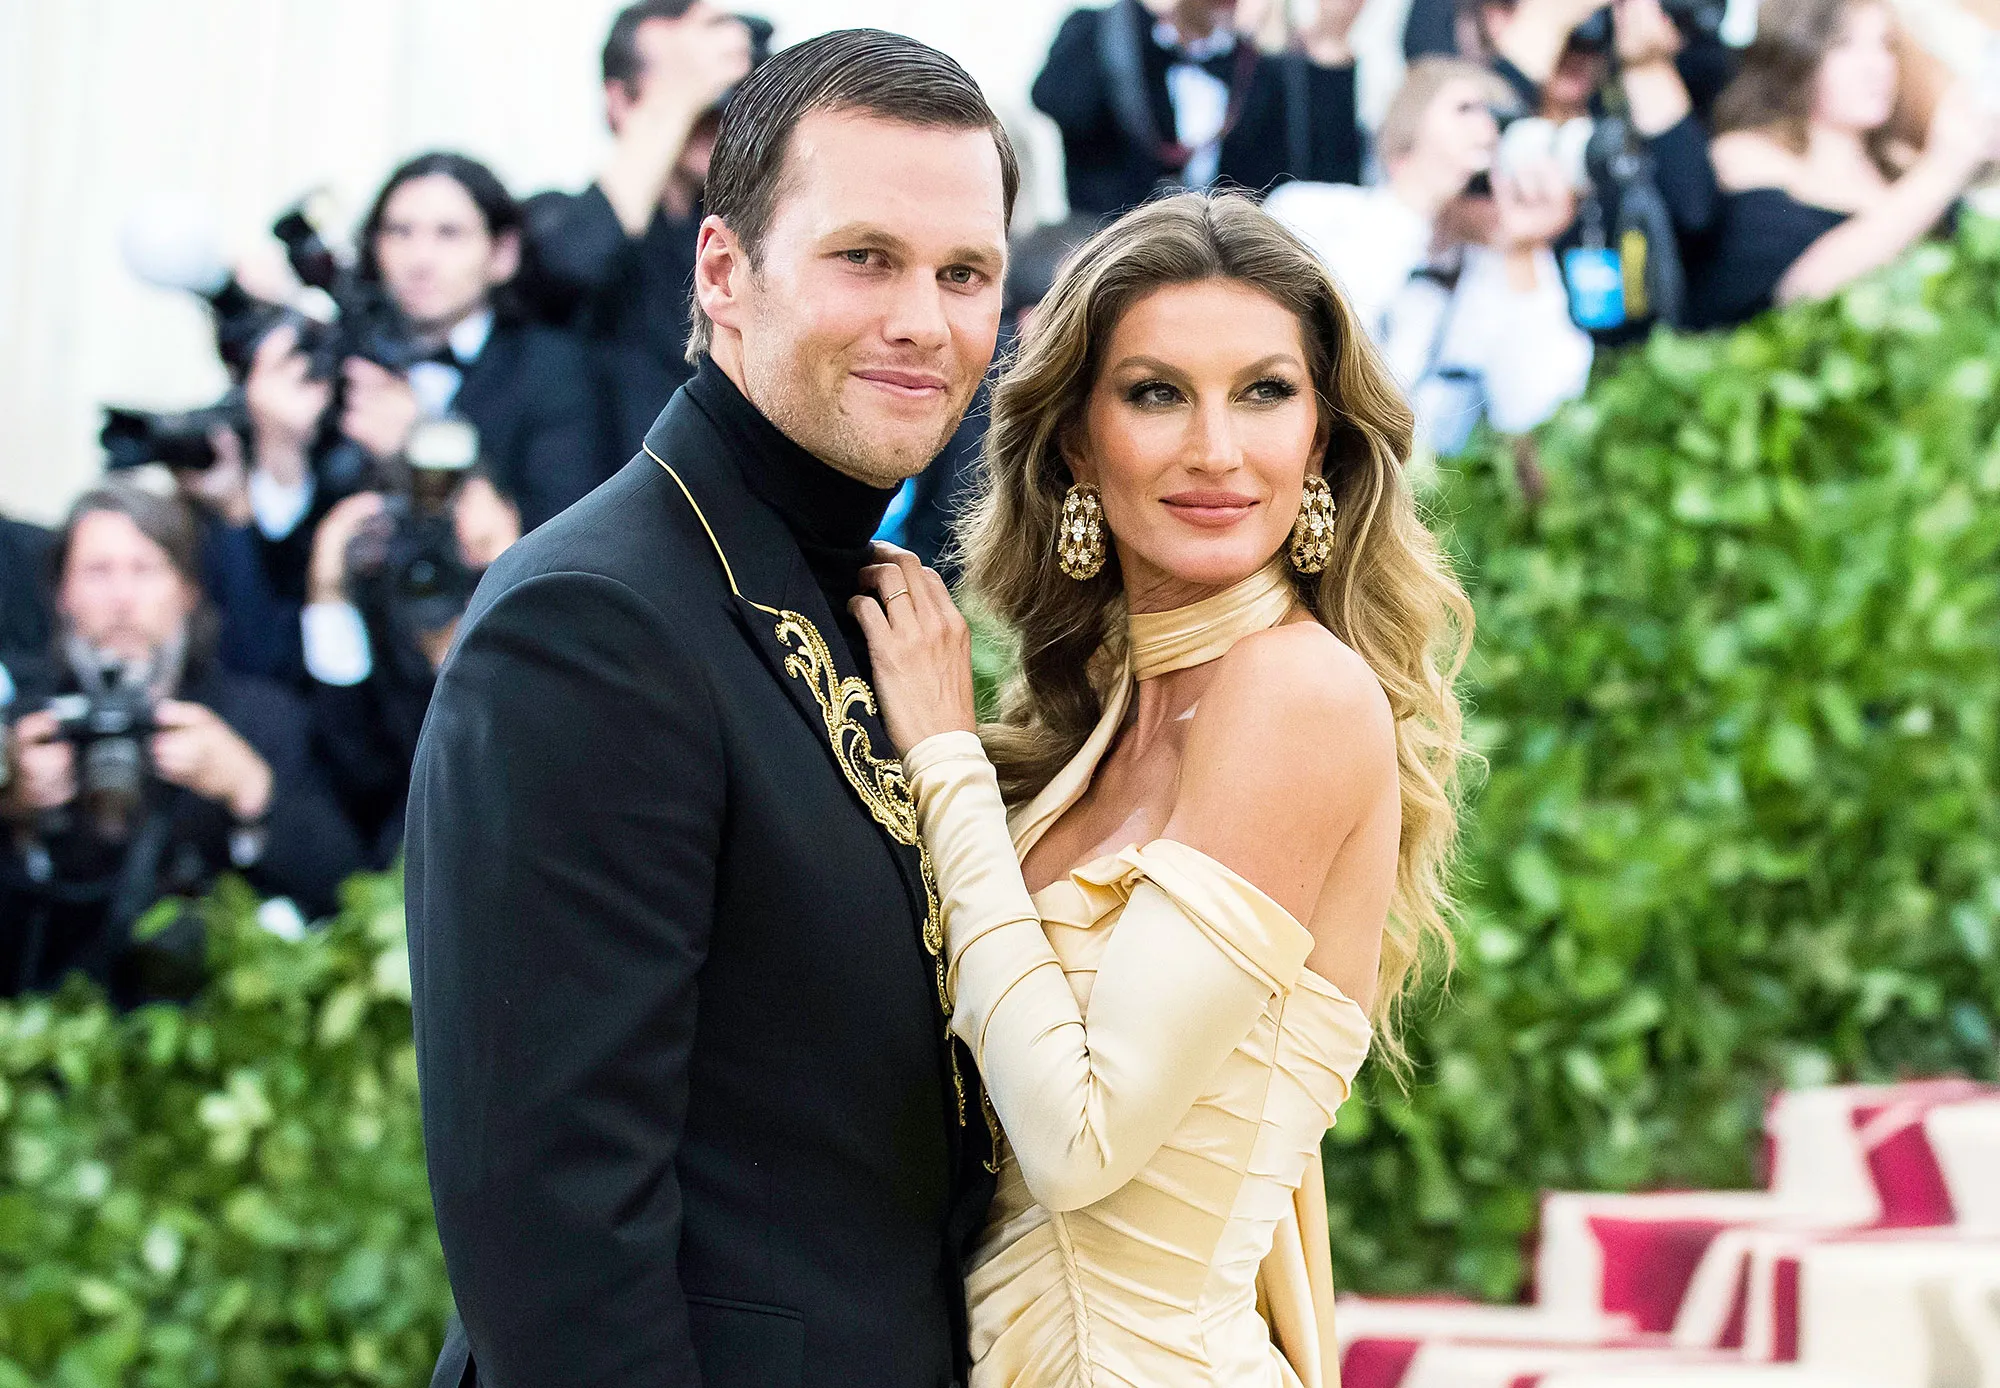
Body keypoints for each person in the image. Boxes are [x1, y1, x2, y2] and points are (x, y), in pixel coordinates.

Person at [405, 29, 1016, 1388]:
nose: (926, 319)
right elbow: (558, 1248)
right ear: (725, 272)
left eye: (966, 271)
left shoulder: (877, 602)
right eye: (868, 257)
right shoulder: (591, 623)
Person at [850, 191, 1471, 1387]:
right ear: (1077, 439)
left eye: (1263, 391)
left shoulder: (1295, 693)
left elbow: (1082, 1142)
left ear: (1323, 438)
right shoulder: (1095, 730)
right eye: (1154, 393)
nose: (1214, 450)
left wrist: (942, 761)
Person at [0, 479, 364, 1004]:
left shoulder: (260, 718)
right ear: (62, 595)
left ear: (188, 592)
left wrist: (251, 789)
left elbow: (346, 890)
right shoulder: (27, 731)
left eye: (145, 570)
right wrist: (14, 811)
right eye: (98, 572)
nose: (122, 599)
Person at [1269, 58, 1594, 451]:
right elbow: (1322, 350)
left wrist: (1521, 251)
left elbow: (1535, 412)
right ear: (1402, 146)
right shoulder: (1311, 213)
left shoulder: (1498, 265)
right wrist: (1418, 202)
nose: (1488, 135)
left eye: (1500, 123)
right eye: (1466, 111)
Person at [520, 0, 759, 467]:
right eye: (688, 88)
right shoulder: (556, 218)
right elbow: (572, 265)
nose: (712, 110)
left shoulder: (731, 240)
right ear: (619, 101)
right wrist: (675, 102)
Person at [1693, 0, 2000, 328]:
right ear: (1795, 55)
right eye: (1844, 46)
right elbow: (1793, 298)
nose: (1876, 66)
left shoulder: (1903, 161)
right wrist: (1942, 170)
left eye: (1885, 45)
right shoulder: (1743, 154)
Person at [301, 471, 523, 867]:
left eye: (479, 552)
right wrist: (329, 591)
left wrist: (507, 582)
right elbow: (357, 764)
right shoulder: (393, 633)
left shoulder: (555, 621)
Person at [1033, 0, 1367, 220]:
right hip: (1109, 252)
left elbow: (1329, 183)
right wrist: (1142, 10)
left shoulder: (1263, 71)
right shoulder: (1106, 33)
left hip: (1231, 274)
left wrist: (1328, 44)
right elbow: (1057, 102)